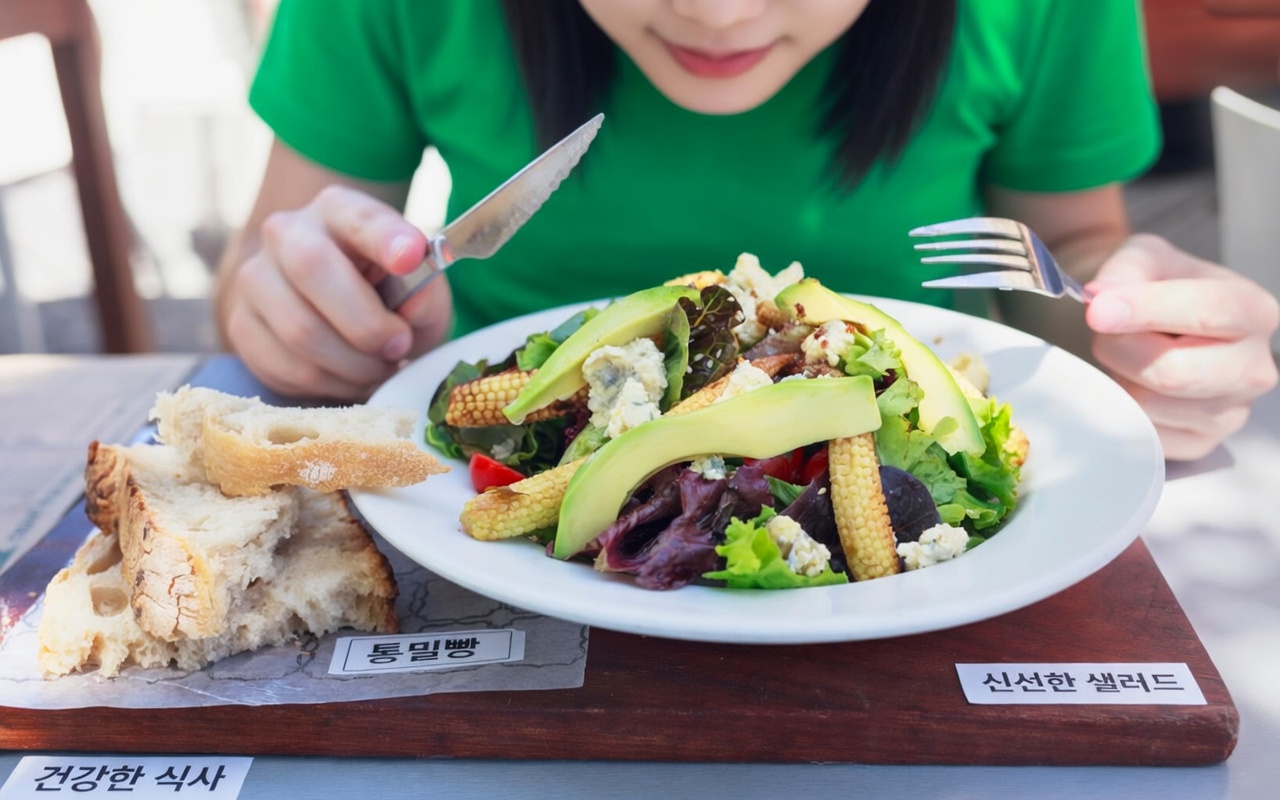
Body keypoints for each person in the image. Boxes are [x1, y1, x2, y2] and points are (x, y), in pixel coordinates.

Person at [216, 0, 1278, 462]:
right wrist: (300, 306)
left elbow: (1071, 238)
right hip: (484, 467)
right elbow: (267, 251)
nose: (717, 14)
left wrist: (1127, 322)